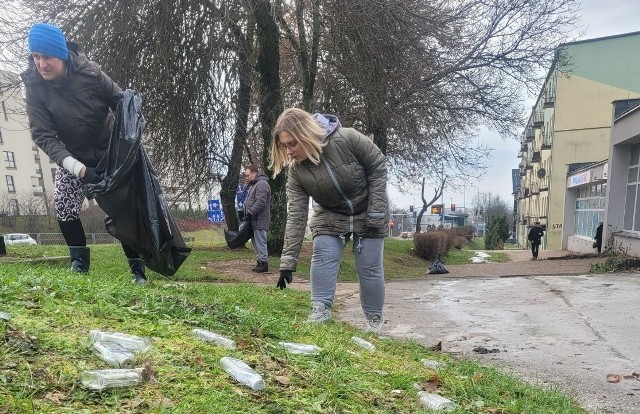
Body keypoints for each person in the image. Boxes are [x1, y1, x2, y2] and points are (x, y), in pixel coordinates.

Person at [21, 23, 146, 283]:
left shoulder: (91, 74)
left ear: (62, 54)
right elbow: (43, 134)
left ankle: (137, 271)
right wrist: (78, 169)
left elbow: (121, 103)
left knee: (120, 209)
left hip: (109, 154)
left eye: (47, 57)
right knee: (64, 204)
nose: (41, 64)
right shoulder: (34, 86)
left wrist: (125, 150)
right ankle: (79, 265)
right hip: (72, 157)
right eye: (36, 57)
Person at [270, 108, 389, 334]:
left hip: (368, 208)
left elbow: (378, 165)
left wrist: (376, 211)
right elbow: (296, 214)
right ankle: (320, 311)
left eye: (292, 144)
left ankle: (374, 321)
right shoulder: (296, 172)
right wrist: (287, 262)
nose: (289, 151)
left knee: (370, 268)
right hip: (330, 213)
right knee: (323, 255)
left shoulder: (348, 138)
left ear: (306, 134)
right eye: (285, 146)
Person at [243, 164, 271, 273]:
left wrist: (250, 212)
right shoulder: (256, 184)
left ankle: (263, 263)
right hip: (255, 219)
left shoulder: (262, 184)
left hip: (260, 219)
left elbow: (260, 202)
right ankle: (260, 262)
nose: (247, 177)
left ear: (254, 173)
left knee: (260, 241)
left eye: (248, 175)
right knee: (256, 242)